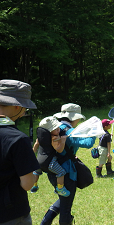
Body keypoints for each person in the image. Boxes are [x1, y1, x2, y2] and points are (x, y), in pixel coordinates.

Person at [40, 103, 96, 225]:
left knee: (63, 199)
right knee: (66, 209)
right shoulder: (68, 131)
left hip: (52, 170)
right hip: (66, 174)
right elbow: (88, 143)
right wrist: (94, 130)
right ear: (75, 118)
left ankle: (45, 222)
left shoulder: (54, 128)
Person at [0, 79, 40, 225]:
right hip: (10, 213)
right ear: (18, 107)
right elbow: (27, 184)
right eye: (25, 108)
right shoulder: (17, 139)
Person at [35, 116, 70, 197]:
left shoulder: (42, 138)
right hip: (49, 162)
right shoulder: (53, 138)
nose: (58, 129)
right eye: (55, 129)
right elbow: (59, 150)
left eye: (58, 127)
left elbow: (36, 145)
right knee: (61, 172)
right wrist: (63, 141)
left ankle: (34, 184)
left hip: (38, 160)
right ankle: (60, 188)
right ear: (48, 131)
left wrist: (33, 151)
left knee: (36, 171)